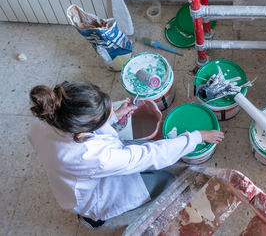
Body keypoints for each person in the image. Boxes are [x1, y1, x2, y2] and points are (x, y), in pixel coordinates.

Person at [27, 81, 224, 229]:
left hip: (72, 177)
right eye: (102, 117)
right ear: (81, 131)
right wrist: (197, 137)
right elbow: (150, 156)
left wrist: (114, 116)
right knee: (165, 180)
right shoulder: (90, 155)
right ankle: (92, 219)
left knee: (143, 154)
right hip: (90, 197)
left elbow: (87, 134)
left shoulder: (46, 120)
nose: (110, 111)